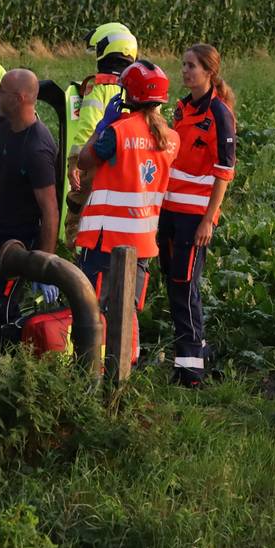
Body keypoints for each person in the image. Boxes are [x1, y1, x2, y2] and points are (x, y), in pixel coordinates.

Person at [74, 60, 178, 367]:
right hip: (142, 239)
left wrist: (102, 126)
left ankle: (93, 366)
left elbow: (83, 160)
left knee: (94, 306)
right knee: (128, 307)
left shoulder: (117, 132)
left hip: (106, 238)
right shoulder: (172, 138)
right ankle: (126, 366)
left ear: (127, 96)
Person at [157, 43, 238, 387]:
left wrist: (209, 219)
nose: (185, 71)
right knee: (174, 285)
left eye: (192, 66)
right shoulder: (181, 109)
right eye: (184, 65)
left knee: (184, 284)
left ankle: (191, 372)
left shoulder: (219, 114)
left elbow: (224, 171)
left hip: (194, 217)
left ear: (210, 72)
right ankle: (192, 353)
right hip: (169, 212)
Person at [0, 69, 60, 353]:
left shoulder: (38, 149)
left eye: (1, 91)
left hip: (20, 238)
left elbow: (50, 211)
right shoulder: (3, 121)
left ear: (19, 99)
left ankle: (13, 358)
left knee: (1, 301)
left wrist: (44, 265)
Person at [63, 22, 137, 245]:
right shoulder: (139, 87)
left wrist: (74, 163)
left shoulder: (99, 88)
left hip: (96, 165)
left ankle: (77, 266)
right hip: (130, 166)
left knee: (78, 212)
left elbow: (87, 129)